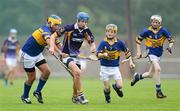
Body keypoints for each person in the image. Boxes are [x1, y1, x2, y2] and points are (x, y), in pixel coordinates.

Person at [49, 12, 96, 104]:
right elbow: (53, 36)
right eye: (82, 21)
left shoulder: (86, 30)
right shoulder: (68, 28)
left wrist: (93, 47)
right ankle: (81, 95)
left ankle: (75, 97)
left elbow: (91, 41)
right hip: (66, 56)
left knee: (76, 76)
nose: (84, 24)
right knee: (78, 72)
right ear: (78, 21)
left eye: (86, 22)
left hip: (76, 56)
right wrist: (51, 47)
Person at [19, 15, 62, 104]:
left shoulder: (53, 32)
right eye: (56, 25)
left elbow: (57, 44)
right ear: (50, 23)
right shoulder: (44, 29)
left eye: (59, 25)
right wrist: (51, 47)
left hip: (37, 54)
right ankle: (25, 96)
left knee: (47, 71)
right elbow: (48, 40)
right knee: (32, 78)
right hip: (27, 55)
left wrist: (63, 52)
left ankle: (37, 91)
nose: (58, 27)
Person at [131, 15, 174, 99]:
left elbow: (171, 40)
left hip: (159, 54)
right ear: (151, 22)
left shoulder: (163, 30)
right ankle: (159, 92)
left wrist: (170, 47)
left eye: (156, 22)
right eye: (153, 22)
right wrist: (139, 51)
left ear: (160, 23)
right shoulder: (146, 31)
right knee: (158, 69)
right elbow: (138, 40)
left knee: (150, 74)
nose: (154, 24)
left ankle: (138, 77)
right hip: (151, 53)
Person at [96, 24, 135, 103]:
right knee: (107, 88)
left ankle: (116, 88)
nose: (109, 33)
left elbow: (127, 53)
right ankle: (107, 97)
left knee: (120, 85)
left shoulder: (119, 43)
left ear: (115, 33)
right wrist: (103, 55)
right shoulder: (103, 43)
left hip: (115, 68)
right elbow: (98, 54)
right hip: (104, 68)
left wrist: (131, 62)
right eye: (107, 31)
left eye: (111, 32)